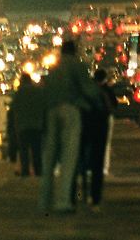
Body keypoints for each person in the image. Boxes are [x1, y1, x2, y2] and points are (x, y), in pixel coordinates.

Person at [38, 40, 100, 214]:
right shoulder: (76, 65)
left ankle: (44, 200)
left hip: (51, 111)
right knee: (68, 157)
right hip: (70, 110)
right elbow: (88, 90)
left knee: (49, 159)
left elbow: (44, 91)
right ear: (74, 51)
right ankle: (62, 201)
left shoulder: (54, 68)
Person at [80, 68, 117, 212]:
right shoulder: (105, 91)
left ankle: (82, 193)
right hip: (100, 128)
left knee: (82, 161)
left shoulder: (87, 90)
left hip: (86, 127)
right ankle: (95, 198)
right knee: (97, 164)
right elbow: (112, 107)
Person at [10, 74, 45, 176]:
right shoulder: (38, 91)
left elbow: (14, 109)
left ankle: (25, 172)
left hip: (22, 126)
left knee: (24, 151)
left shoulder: (19, 93)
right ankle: (38, 172)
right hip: (36, 125)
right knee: (36, 150)